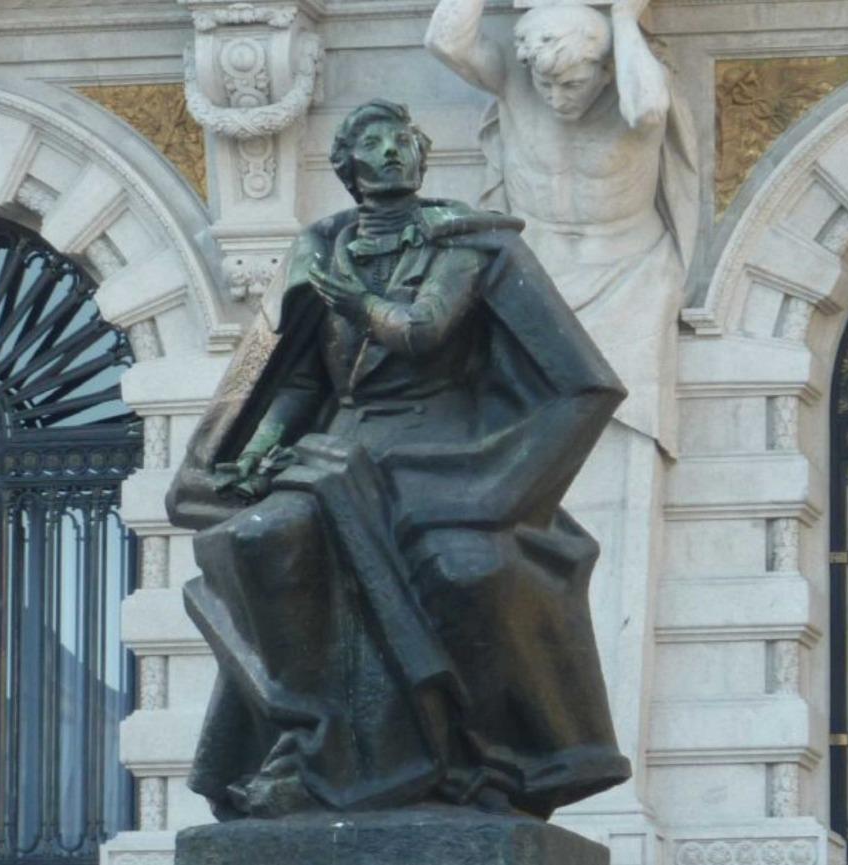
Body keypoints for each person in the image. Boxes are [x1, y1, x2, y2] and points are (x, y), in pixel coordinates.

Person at [166, 99, 631, 821]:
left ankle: (474, 763)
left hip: (447, 455)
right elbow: (294, 378)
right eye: (371, 142)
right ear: (346, 167)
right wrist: (255, 454)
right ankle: (310, 747)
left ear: (421, 156)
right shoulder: (318, 248)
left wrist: (508, 489)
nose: (389, 153)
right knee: (257, 539)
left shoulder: (472, 244)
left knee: (466, 571)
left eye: (401, 140)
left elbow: (563, 373)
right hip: (336, 454)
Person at [425, 0, 698, 450]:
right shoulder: (515, 81)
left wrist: (624, 19)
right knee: (514, 432)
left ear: (606, 68)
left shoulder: (633, 89)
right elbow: (444, 40)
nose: (556, 98)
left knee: (622, 428)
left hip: (630, 276)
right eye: (546, 84)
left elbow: (648, 109)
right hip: (535, 273)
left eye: (571, 84)